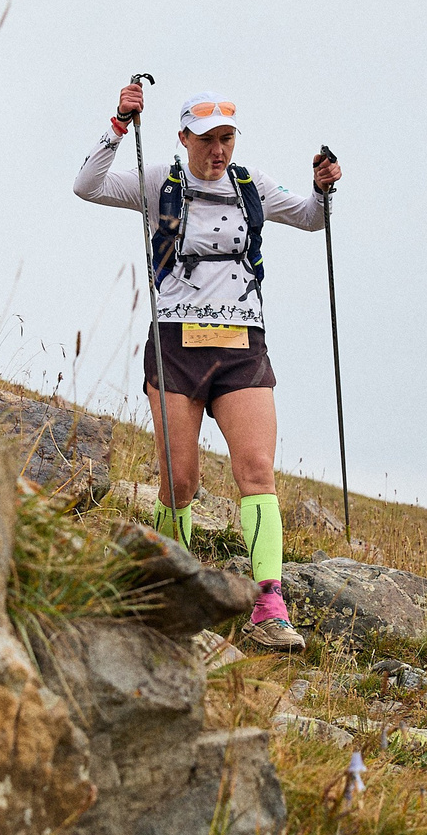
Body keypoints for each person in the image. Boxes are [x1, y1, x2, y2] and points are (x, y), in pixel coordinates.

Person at [73, 84, 343, 653]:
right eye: (207, 140)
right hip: (176, 343)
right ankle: (177, 592)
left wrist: (324, 189)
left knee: (257, 471)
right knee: (180, 481)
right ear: (183, 139)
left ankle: (269, 605)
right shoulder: (158, 182)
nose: (218, 151)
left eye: (226, 139)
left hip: (242, 344)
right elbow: (88, 185)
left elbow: (314, 220)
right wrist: (119, 126)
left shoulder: (253, 187)